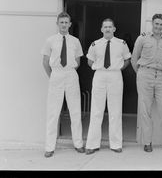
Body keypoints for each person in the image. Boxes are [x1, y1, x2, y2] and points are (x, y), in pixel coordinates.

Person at [41, 12, 85, 158]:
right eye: (62, 22)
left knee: (75, 110)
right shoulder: (50, 40)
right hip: (57, 74)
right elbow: (45, 62)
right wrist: (54, 76)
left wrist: (69, 72)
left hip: (71, 74)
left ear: (70, 24)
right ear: (57, 24)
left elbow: (78, 62)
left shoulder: (75, 41)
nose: (64, 25)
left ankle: (78, 144)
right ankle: (49, 147)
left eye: (66, 22)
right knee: (53, 112)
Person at [131, 13, 162, 152]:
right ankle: (147, 142)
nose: (158, 26)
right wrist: (141, 73)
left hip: (161, 76)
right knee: (145, 110)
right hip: (145, 74)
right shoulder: (142, 38)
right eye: (156, 24)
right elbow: (134, 58)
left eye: (161, 24)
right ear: (152, 23)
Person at [85, 18, 131, 154]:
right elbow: (89, 61)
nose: (107, 29)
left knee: (115, 110)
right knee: (96, 110)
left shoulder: (121, 43)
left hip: (115, 76)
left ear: (114, 29)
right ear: (101, 29)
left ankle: (116, 144)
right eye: (105, 27)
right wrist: (99, 69)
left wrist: (118, 69)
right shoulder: (95, 44)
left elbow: (127, 59)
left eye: (110, 27)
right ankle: (92, 144)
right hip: (99, 75)